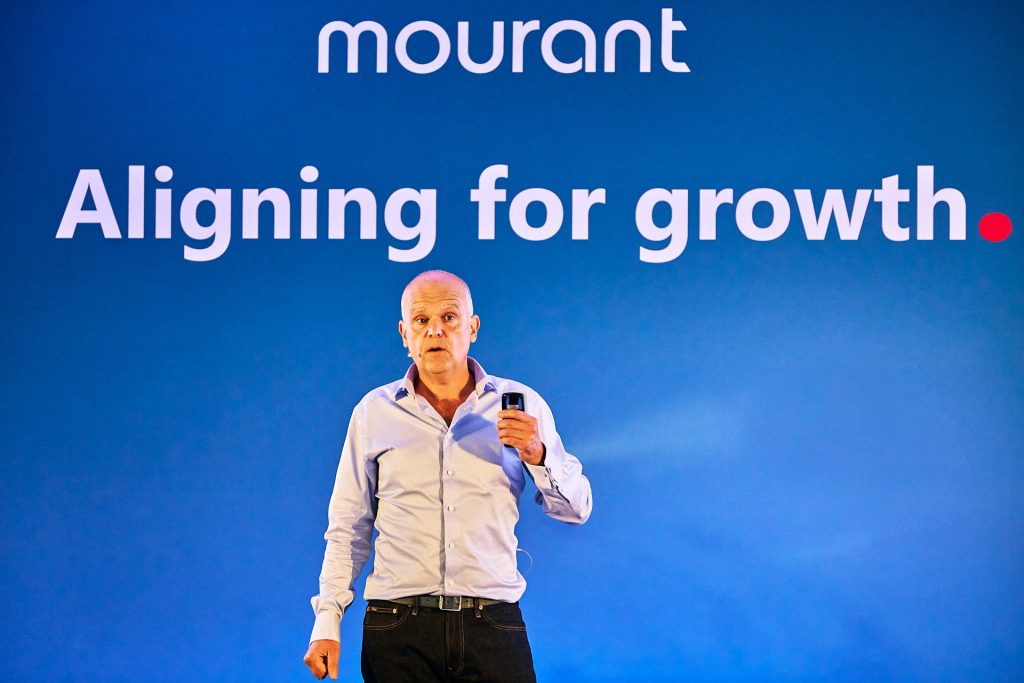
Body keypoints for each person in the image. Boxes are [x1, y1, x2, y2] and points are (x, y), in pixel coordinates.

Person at [303, 269, 593, 681]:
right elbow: (348, 527)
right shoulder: (373, 412)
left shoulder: (521, 404)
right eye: (421, 321)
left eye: (449, 318)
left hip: (492, 623)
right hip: (397, 627)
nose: (435, 330)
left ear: (472, 328)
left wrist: (537, 453)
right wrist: (327, 622)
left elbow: (577, 508)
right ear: (405, 334)